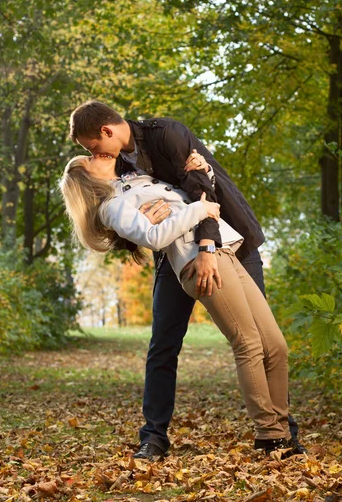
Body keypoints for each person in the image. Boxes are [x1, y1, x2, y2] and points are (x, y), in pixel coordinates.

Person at [68, 100, 304, 458]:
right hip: (186, 256)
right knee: (175, 344)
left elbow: (200, 189)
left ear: (106, 132)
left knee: (273, 345)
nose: (95, 154)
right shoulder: (115, 192)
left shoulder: (165, 136)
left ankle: (285, 433)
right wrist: (157, 224)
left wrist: (202, 198)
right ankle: (160, 435)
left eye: (92, 149)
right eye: (91, 157)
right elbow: (139, 230)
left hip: (226, 243)